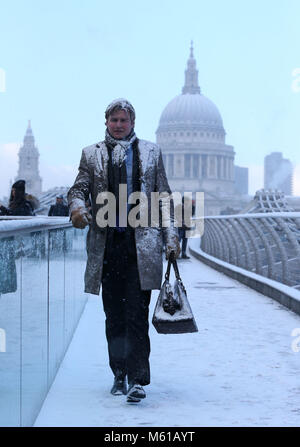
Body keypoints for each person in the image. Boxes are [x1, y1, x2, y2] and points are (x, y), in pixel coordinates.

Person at [67, 98, 180, 403]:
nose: (119, 125)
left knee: (136, 314)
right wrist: (77, 206)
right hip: (108, 247)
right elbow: (78, 188)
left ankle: (137, 378)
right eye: (114, 120)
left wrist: (172, 237)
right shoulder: (91, 154)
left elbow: (164, 198)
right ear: (106, 122)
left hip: (140, 247)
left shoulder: (152, 152)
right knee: (113, 315)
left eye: (124, 120)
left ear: (133, 123)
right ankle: (118, 372)